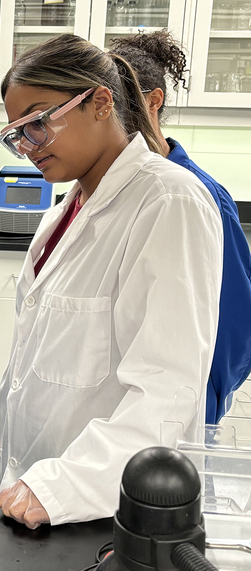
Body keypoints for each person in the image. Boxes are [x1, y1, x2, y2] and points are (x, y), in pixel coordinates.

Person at [0, 34, 223, 529]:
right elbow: (31, 365)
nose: (27, 146)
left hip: (108, 507)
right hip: (34, 494)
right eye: (16, 134)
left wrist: (65, 486)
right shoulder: (63, 213)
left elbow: (167, 390)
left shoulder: (168, 201)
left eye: (38, 123)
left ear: (101, 103)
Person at [110, 30, 251, 425]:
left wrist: (200, 409)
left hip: (170, 415)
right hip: (108, 409)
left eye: (116, 103)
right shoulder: (105, 191)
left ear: (153, 101)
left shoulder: (200, 197)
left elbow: (234, 327)